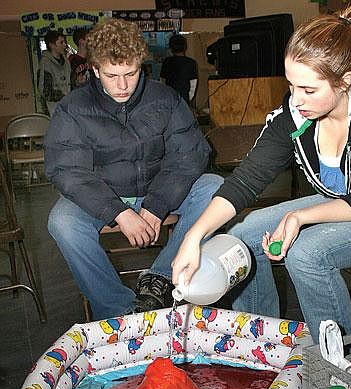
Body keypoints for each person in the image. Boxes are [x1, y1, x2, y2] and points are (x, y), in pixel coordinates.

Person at [171, 5, 351, 344]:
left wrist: (300, 216)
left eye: (309, 90)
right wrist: (193, 236)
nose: (296, 100)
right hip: (347, 201)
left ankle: (342, 368)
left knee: (307, 253)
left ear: (344, 80)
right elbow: (246, 179)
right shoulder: (296, 113)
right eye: (290, 86)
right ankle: (265, 346)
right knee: (238, 236)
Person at [45, 18, 222, 320]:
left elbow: (190, 154)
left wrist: (156, 205)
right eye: (113, 76)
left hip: (158, 191)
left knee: (214, 188)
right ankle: (120, 311)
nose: (123, 85)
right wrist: (119, 213)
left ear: (142, 65)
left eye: (131, 73)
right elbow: (67, 170)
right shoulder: (73, 109)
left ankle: (160, 279)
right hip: (106, 197)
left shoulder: (165, 98)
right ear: (96, 70)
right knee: (62, 221)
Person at [38, 30, 71, 116]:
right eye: (61, 42)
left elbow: (71, 81)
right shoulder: (45, 63)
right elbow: (45, 91)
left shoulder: (66, 61)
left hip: (67, 107)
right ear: (52, 45)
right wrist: (62, 96)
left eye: (64, 42)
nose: (65, 45)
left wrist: (77, 81)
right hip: (53, 109)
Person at [160, 34, 198, 105]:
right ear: (185, 47)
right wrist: (188, 99)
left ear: (171, 48)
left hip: (169, 98)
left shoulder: (167, 62)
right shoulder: (191, 63)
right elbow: (193, 84)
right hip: (184, 98)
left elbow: (162, 81)